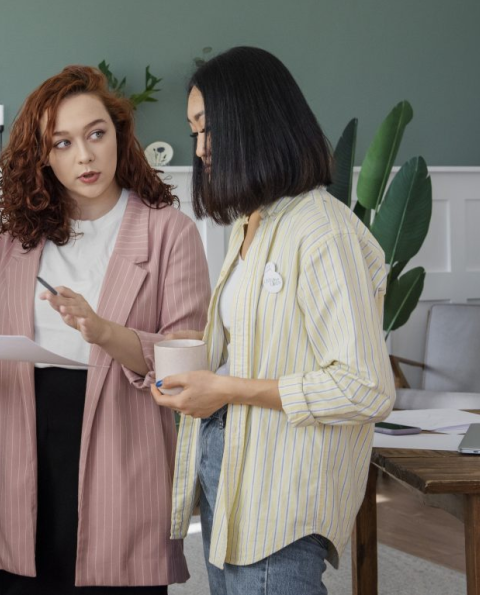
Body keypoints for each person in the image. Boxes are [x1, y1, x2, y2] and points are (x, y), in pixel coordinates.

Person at [0, 65, 211, 594]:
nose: (84, 156)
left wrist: (104, 331)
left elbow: (186, 361)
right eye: (61, 143)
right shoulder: (14, 239)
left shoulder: (169, 232)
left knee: (112, 574)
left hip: (119, 440)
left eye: (96, 134)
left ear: (119, 135)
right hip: (21, 435)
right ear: (41, 156)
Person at [151, 46, 396, 594]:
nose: (201, 148)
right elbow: (261, 344)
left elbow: (365, 388)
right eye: (194, 132)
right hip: (232, 479)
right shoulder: (249, 226)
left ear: (255, 123)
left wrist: (226, 388)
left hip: (280, 494)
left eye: (209, 128)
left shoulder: (322, 231)